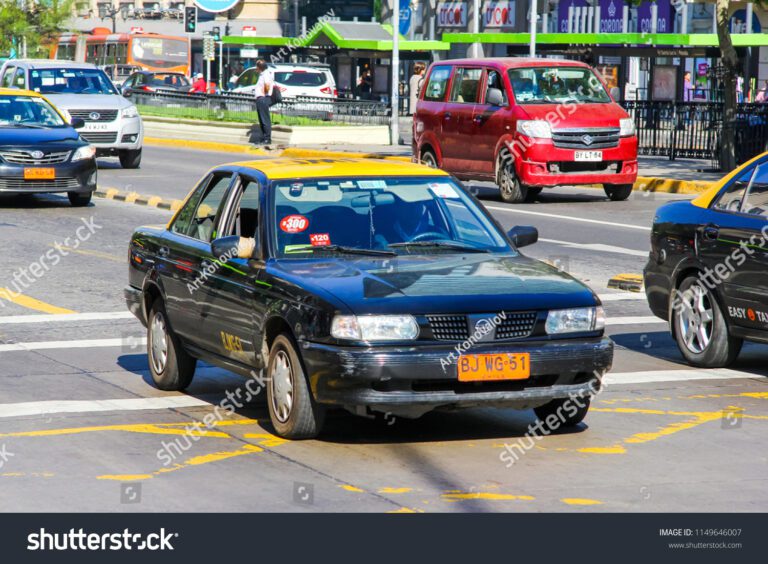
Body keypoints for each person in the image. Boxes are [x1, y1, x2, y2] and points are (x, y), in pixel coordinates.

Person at [253, 59, 274, 145]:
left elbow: (267, 85)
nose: (256, 68)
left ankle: (267, 139)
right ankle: (263, 138)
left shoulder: (266, 74)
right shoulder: (262, 74)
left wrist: (264, 94)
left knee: (265, 120)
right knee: (261, 120)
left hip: (263, 98)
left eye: (257, 66)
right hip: (260, 98)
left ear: (260, 67)